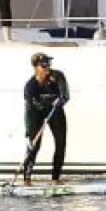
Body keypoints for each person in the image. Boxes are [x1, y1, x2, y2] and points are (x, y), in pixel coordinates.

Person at [22, 52, 68, 186]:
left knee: (60, 142)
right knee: (34, 145)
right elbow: (29, 111)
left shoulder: (57, 76)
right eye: (43, 65)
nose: (47, 67)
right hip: (37, 112)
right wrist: (28, 132)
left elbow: (65, 94)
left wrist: (60, 101)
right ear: (36, 67)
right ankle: (27, 179)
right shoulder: (30, 86)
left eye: (48, 63)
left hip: (55, 110)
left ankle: (55, 178)